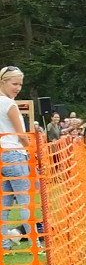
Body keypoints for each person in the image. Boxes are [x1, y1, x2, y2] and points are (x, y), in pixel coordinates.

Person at [0, 66, 37, 250]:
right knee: (25, 202)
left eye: (20, 84)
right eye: (14, 83)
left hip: (2, 156)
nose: (18, 88)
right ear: (3, 82)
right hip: (15, 154)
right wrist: (31, 150)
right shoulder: (9, 104)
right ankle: (36, 243)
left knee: (4, 205)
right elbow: (21, 135)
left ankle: (4, 243)